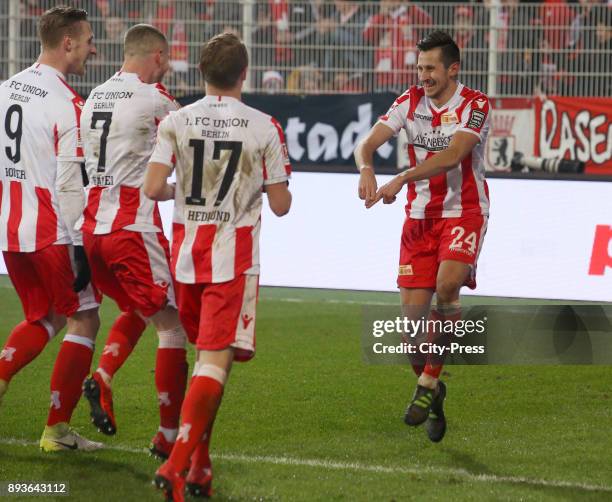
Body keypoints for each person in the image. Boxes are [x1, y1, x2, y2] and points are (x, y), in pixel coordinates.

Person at [144, 32, 292, 501]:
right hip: (234, 261)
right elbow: (283, 205)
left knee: (204, 360)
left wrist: (182, 192)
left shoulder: (176, 120)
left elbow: (151, 187)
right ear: (244, 74)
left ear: (203, 74)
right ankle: (176, 464)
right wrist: (275, 185)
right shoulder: (264, 126)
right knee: (215, 362)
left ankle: (200, 467)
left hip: (186, 259)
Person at [354, 30, 490, 443]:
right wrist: (365, 167)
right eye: (420, 67)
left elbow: (453, 155)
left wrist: (401, 177)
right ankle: (436, 388)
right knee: (411, 335)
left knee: (447, 287)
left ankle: (428, 383)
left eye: (431, 68)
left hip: (464, 212)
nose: (424, 75)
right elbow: (368, 144)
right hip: (418, 219)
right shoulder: (408, 102)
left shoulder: (476, 105)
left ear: (453, 68)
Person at [78, 24, 189, 460]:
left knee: (137, 309)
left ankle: (103, 376)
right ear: (157, 56)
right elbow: (194, 145)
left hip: (92, 227)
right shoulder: (157, 98)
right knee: (172, 322)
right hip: (132, 227)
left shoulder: (93, 99)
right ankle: (167, 434)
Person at [0, 6, 102, 451]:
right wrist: (79, 245)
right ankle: (57, 431)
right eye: (87, 41)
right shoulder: (68, 104)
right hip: (50, 232)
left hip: (9, 228)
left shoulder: (4, 90)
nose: (92, 49)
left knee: (43, 317)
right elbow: (68, 184)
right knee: (85, 316)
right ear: (67, 44)